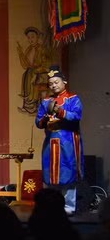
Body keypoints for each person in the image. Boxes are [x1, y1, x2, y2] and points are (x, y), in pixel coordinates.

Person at [36, 66, 84, 215]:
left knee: (68, 173)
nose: (53, 85)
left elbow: (76, 116)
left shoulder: (73, 99)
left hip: (67, 141)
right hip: (51, 142)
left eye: (56, 82)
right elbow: (38, 122)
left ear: (64, 82)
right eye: (51, 84)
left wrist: (60, 111)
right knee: (50, 174)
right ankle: (50, 206)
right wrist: (45, 120)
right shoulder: (46, 101)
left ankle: (68, 207)